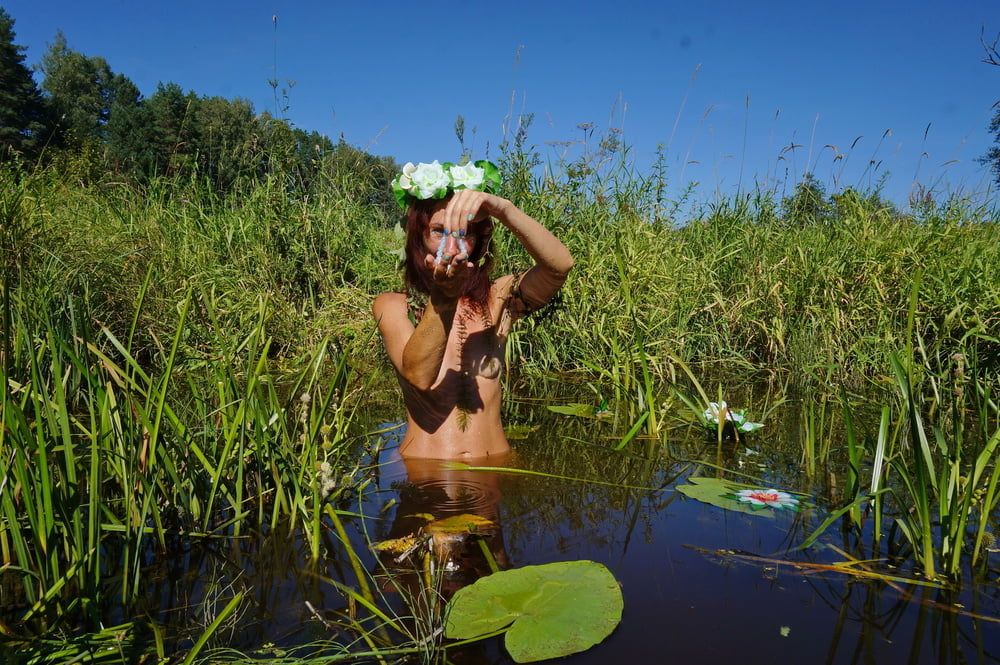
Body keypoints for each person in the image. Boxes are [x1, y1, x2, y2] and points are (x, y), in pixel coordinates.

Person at [373, 160, 573, 459]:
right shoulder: (394, 306)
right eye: (440, 231)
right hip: (426, 473)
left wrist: (503, 209)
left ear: (479, 241)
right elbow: (419, 376)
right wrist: (444, 298)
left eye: (464, 232)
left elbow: (559, 267)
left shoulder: (497, 299)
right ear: (419, 237)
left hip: (496, 470)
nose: (452, 248)